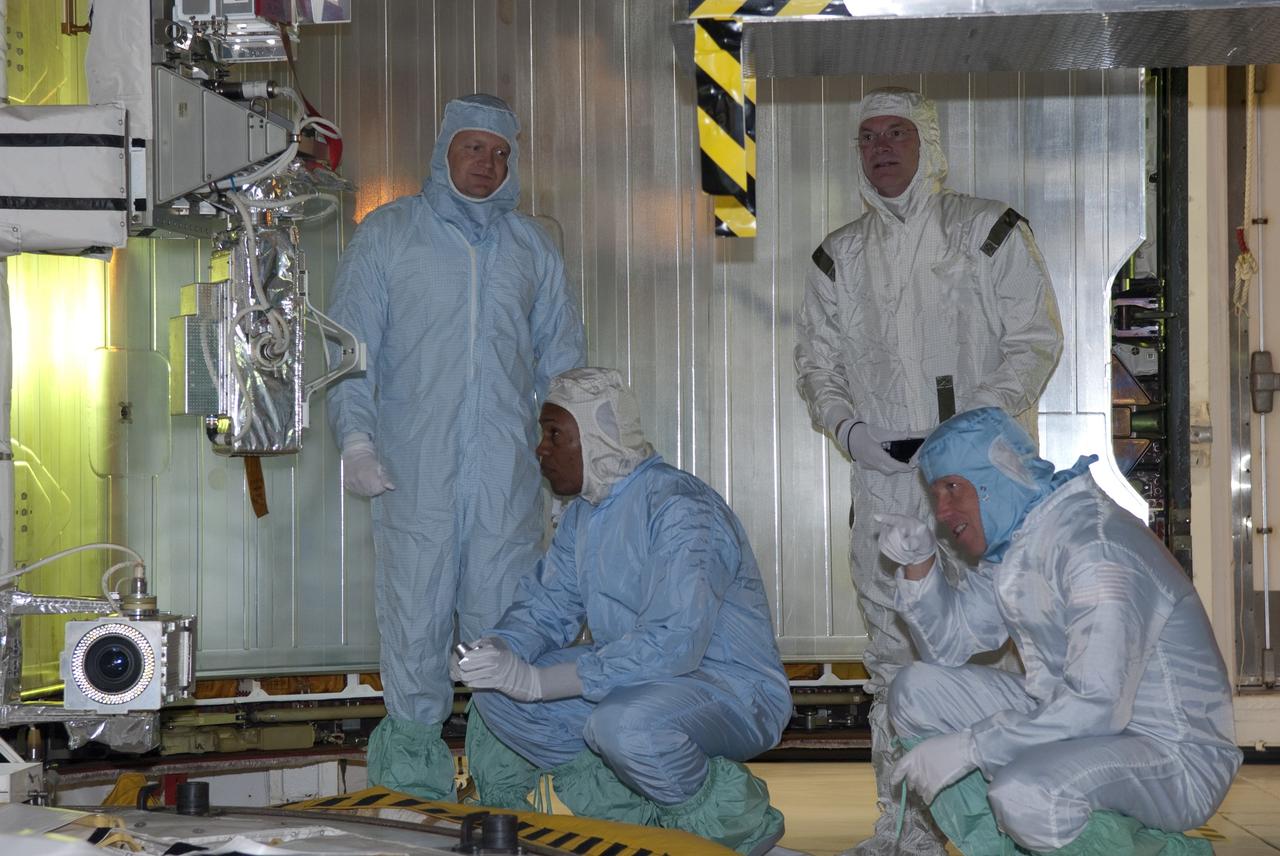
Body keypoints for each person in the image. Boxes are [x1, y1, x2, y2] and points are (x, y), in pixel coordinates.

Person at [793, 86, 1064, 854]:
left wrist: (970, 434)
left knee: (1001, 652)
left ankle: (1011, 825)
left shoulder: (986, 233)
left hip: (982, 488)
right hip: (886, 490)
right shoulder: (838, 257)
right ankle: (907, 828)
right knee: (894, 660)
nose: (882, 148)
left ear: (928, 144)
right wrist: (850, 429)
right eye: (869, 136)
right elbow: (815, 361)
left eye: (898, 134)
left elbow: (1034, 340)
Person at [325, 94, 585, 799]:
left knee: (504, 630)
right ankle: (413, 788)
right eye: (475, 148)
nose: (488, 164)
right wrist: (355, 439)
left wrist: (574, 470)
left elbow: (563, 368)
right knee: (414, 622)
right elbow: (349, 353)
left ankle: (505, 784)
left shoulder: (532, 248)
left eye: (501, 153)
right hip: (413, 474)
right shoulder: (389, 236)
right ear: (445, 151)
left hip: (504, 479)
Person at [454, 367, 793, 856]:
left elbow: (674, 643)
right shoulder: (586, 515)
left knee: (622, 726)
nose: (540, 449)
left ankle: (736, 831)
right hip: (636, 681)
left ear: (599, 438)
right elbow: (547, 606)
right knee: (499, 699)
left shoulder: (683, 510)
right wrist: (499, 649)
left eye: (555, 434)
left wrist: (541, 682)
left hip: (732, 689)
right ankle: (639, 824)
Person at [876, 406, 1241, 854]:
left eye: (953, 487)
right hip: (1090, 726)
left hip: (1174, 754)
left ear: (1000, 474)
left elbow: (1097, 704)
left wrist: (972, 747)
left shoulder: (1096, 548)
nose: (943, 511)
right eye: (936, 495)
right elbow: (949, 647)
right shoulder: (1024, 543)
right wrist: (920, 564)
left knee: (1027, 793)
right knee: (917, 691)